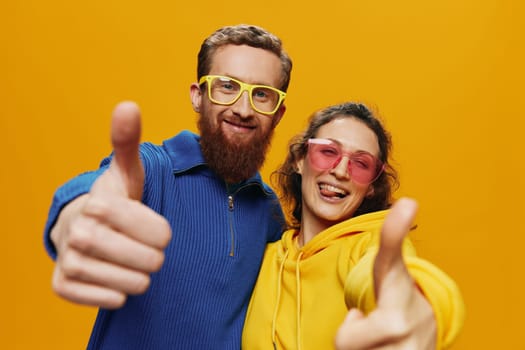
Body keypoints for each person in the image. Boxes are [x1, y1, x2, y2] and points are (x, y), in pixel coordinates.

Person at [44, 24, 292, 349]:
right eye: (227, 86)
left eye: (262, 94)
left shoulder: (268, 211)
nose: (244, 109)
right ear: (198, 96)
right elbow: (107, 185)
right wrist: (75, 214)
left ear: (278, 113)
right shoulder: (155, 167)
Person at [242, 102, 465, 350]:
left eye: (361, 164)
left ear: (371, 186)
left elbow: (383, 277)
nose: (340, 171)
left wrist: (420, 304)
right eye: (328, 152)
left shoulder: (371, 245)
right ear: (300, 160)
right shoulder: (264, 256)